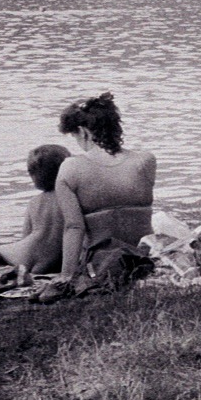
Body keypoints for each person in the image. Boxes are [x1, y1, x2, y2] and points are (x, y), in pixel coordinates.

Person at [53, 93, 158, 281]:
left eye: (75, 136)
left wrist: (66, 276)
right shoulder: (145, 160)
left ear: (83, 132)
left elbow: (74, 227)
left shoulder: (71, 167)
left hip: (103, 264)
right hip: (144, 257)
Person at [0, 145, 71, 275]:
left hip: (27, 255)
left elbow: (25, 235)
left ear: (33, 175)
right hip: (57, 259)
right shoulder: (70, 197)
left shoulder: (34, 202)